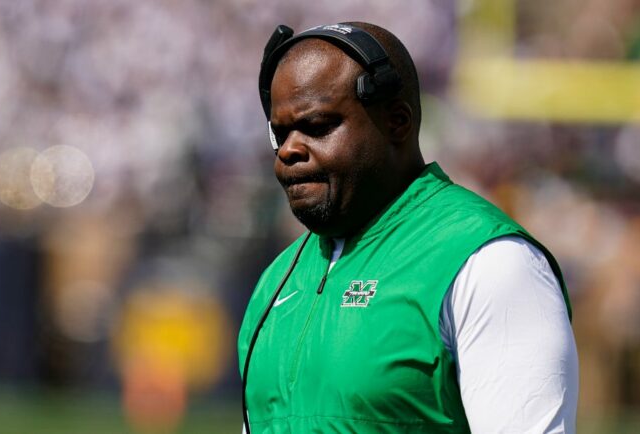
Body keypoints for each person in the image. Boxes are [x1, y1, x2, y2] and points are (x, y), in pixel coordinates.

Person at [238, 22, 578, 433]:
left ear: (397, 121)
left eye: (317, 126)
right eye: (280, 134)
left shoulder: (488, 261)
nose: (289, 150)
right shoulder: (277, 280)